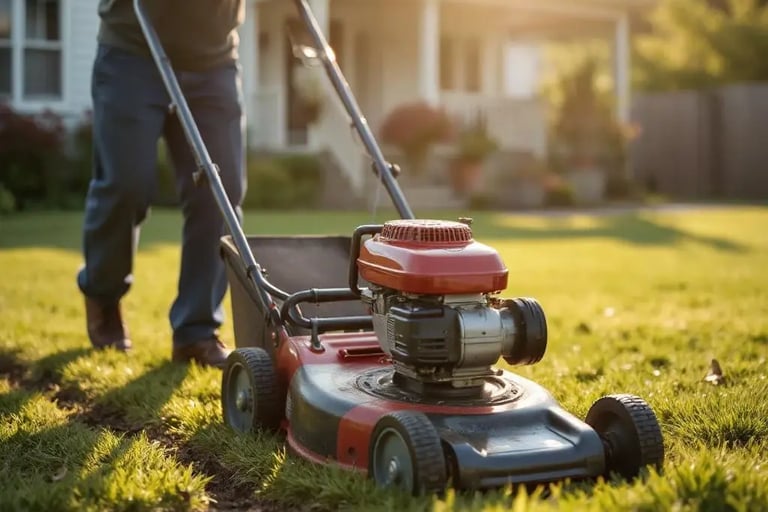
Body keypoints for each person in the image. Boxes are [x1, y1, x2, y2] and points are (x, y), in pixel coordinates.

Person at [77, 0, 246, 368]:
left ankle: (196, 332)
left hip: (212, 57)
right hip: (132, 48)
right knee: (125, 185)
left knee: (220, 194)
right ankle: (103, 293)